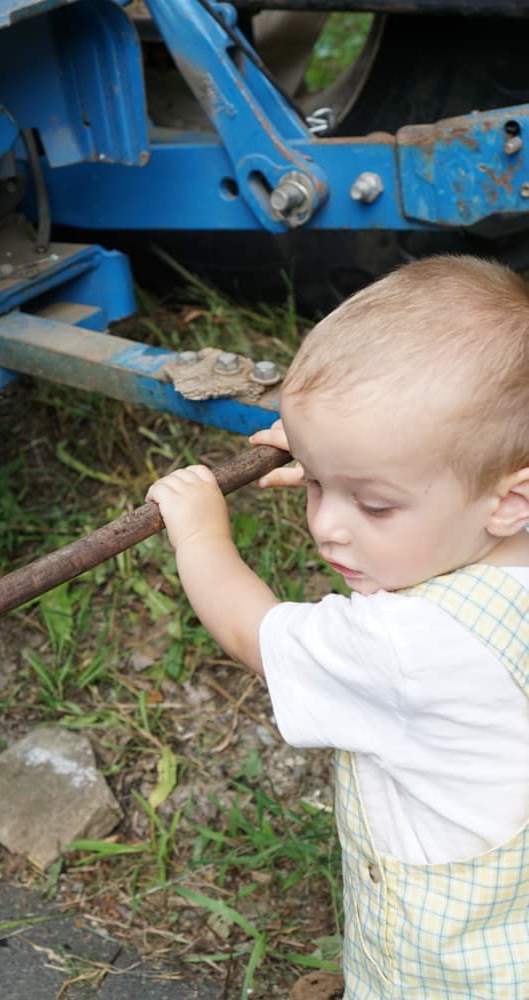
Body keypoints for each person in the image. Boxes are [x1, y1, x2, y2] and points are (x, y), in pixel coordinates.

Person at [146, 254, 529, 998]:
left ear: (509, 500)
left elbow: (248, 631)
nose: (325, 527)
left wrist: (199, 531)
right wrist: (348, 461)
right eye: (318, 486)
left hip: (442, 975)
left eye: (373, 506)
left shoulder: (407, 646)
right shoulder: (507, 539)